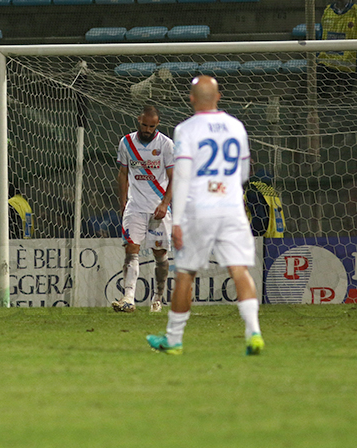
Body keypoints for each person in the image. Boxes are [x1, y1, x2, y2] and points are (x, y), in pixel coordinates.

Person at [146, 76, 263, 355]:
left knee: (186, 273)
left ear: (191, 98)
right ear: (218, 97)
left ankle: (174, 340)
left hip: (199, 209)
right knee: (239, 269)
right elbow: (243, 172)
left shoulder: (186, 129)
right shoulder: (236, 126)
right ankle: (254, 333)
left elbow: (182, 175)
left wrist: (176, 221)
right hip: (231, 207)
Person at [112, 105, 173, 314]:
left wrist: (164, 204)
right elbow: (123, 173)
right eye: (144, 125)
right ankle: (128, 298)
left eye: (151, 126)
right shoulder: (126, 142)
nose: (147, 130)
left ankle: (158, 298)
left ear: (157, 124)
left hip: (157, 208)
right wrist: (123, 203)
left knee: (160, 254)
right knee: (131, 249)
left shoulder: (166, 144)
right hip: (135, 206)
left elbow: (174, 178)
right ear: (139, 120)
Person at [318, 0, 357, 95]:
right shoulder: (327, 11)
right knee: (317, 91)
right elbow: (320, 36)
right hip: (326, 64)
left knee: (346, 97)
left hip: (349, 65)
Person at [246, 170, 285, 238]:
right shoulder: (270, 190)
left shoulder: (253, 188)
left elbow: (260, 219)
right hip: (277, 236)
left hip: (261, 239)